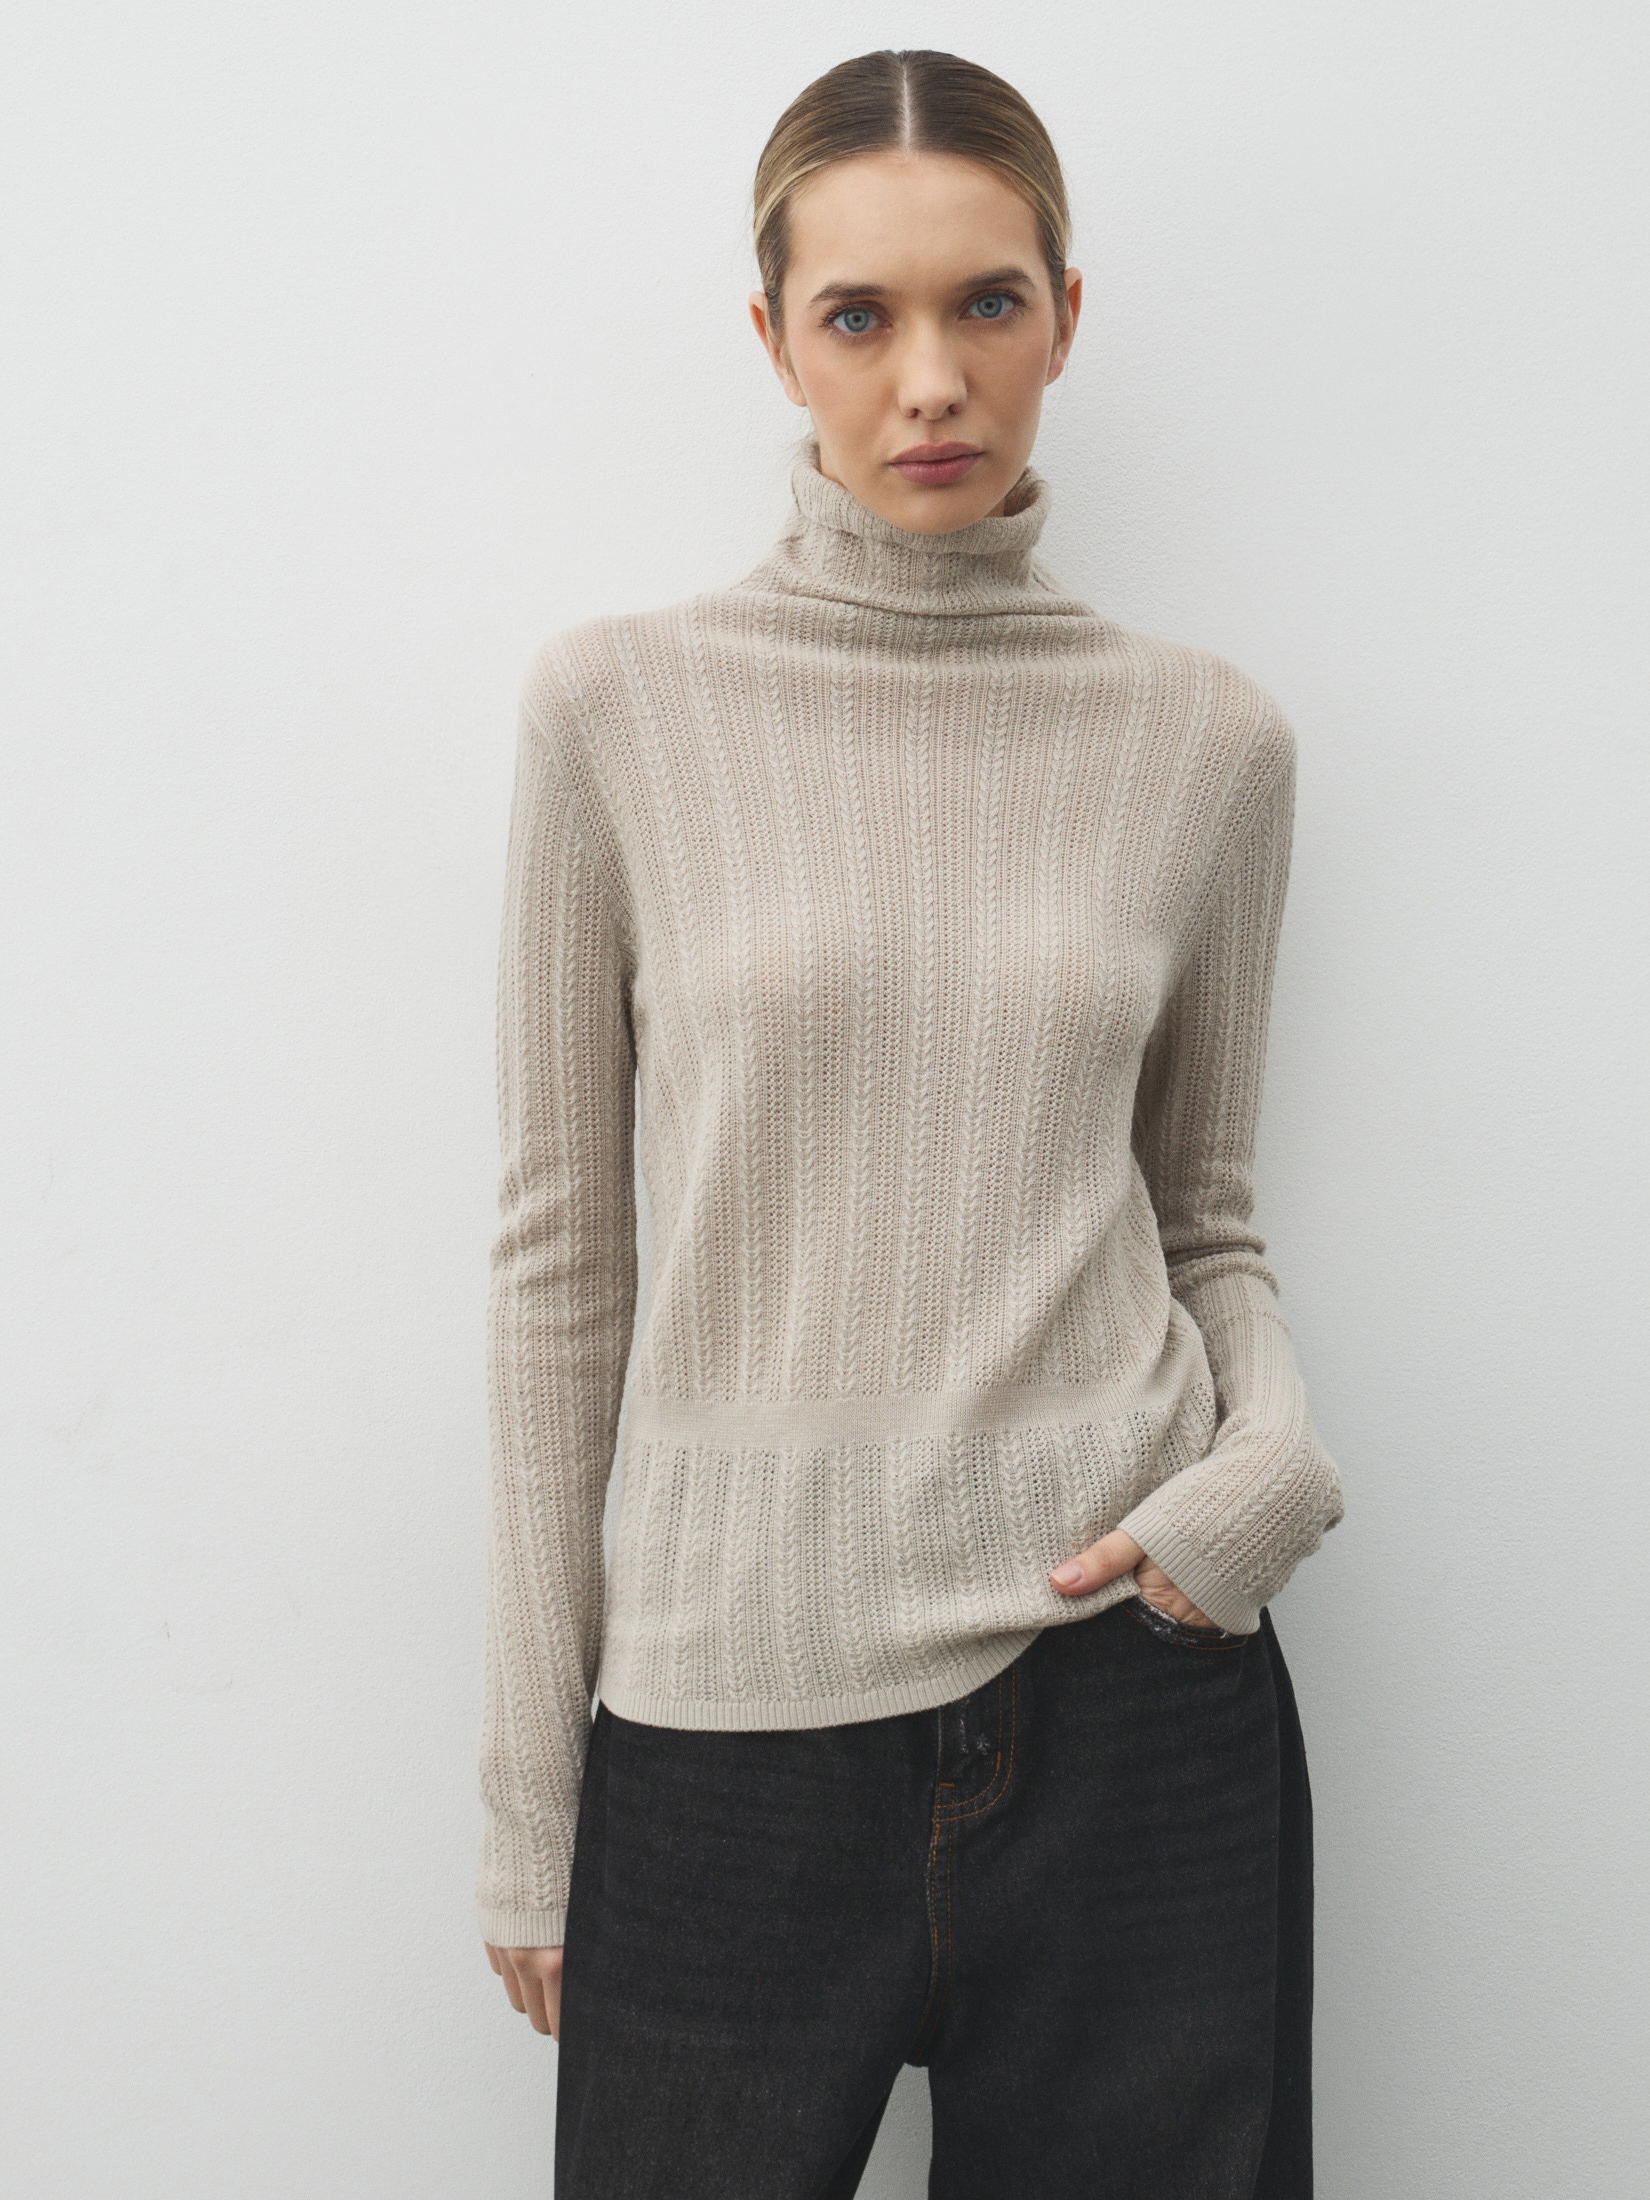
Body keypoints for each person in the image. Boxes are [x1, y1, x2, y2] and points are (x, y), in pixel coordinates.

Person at [476, 46, 1344, 2199]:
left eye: (988, 304)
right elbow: (562, 1267)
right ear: (774, 336)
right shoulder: (618, 711)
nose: (931, 379)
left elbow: (1202, 1216)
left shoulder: (1206, 743)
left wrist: (1267, 1465)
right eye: (860, 315)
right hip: (723, 1735)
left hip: (1135, 1698)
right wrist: (529, 1796)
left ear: (1067, 315)